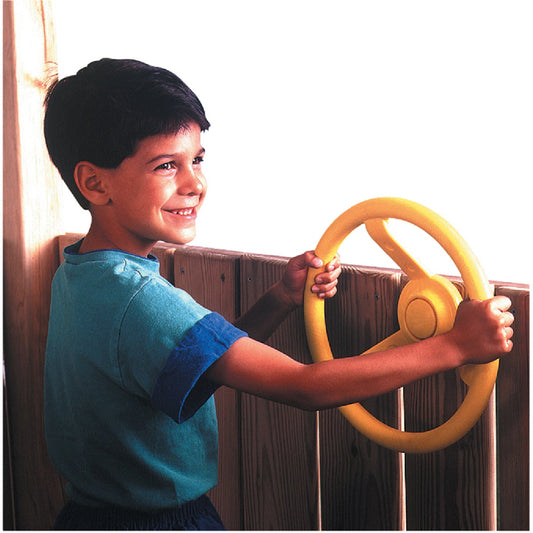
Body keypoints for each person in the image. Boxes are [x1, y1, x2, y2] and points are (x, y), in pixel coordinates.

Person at [43, 58, 514, 531]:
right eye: (167, 165)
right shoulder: (140, 299)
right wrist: (455, 346)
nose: (195, 184)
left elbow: (200, 365)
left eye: (198, 159)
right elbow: (302, 386)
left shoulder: (82, 274)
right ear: (94, 183)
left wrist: (281, 298)